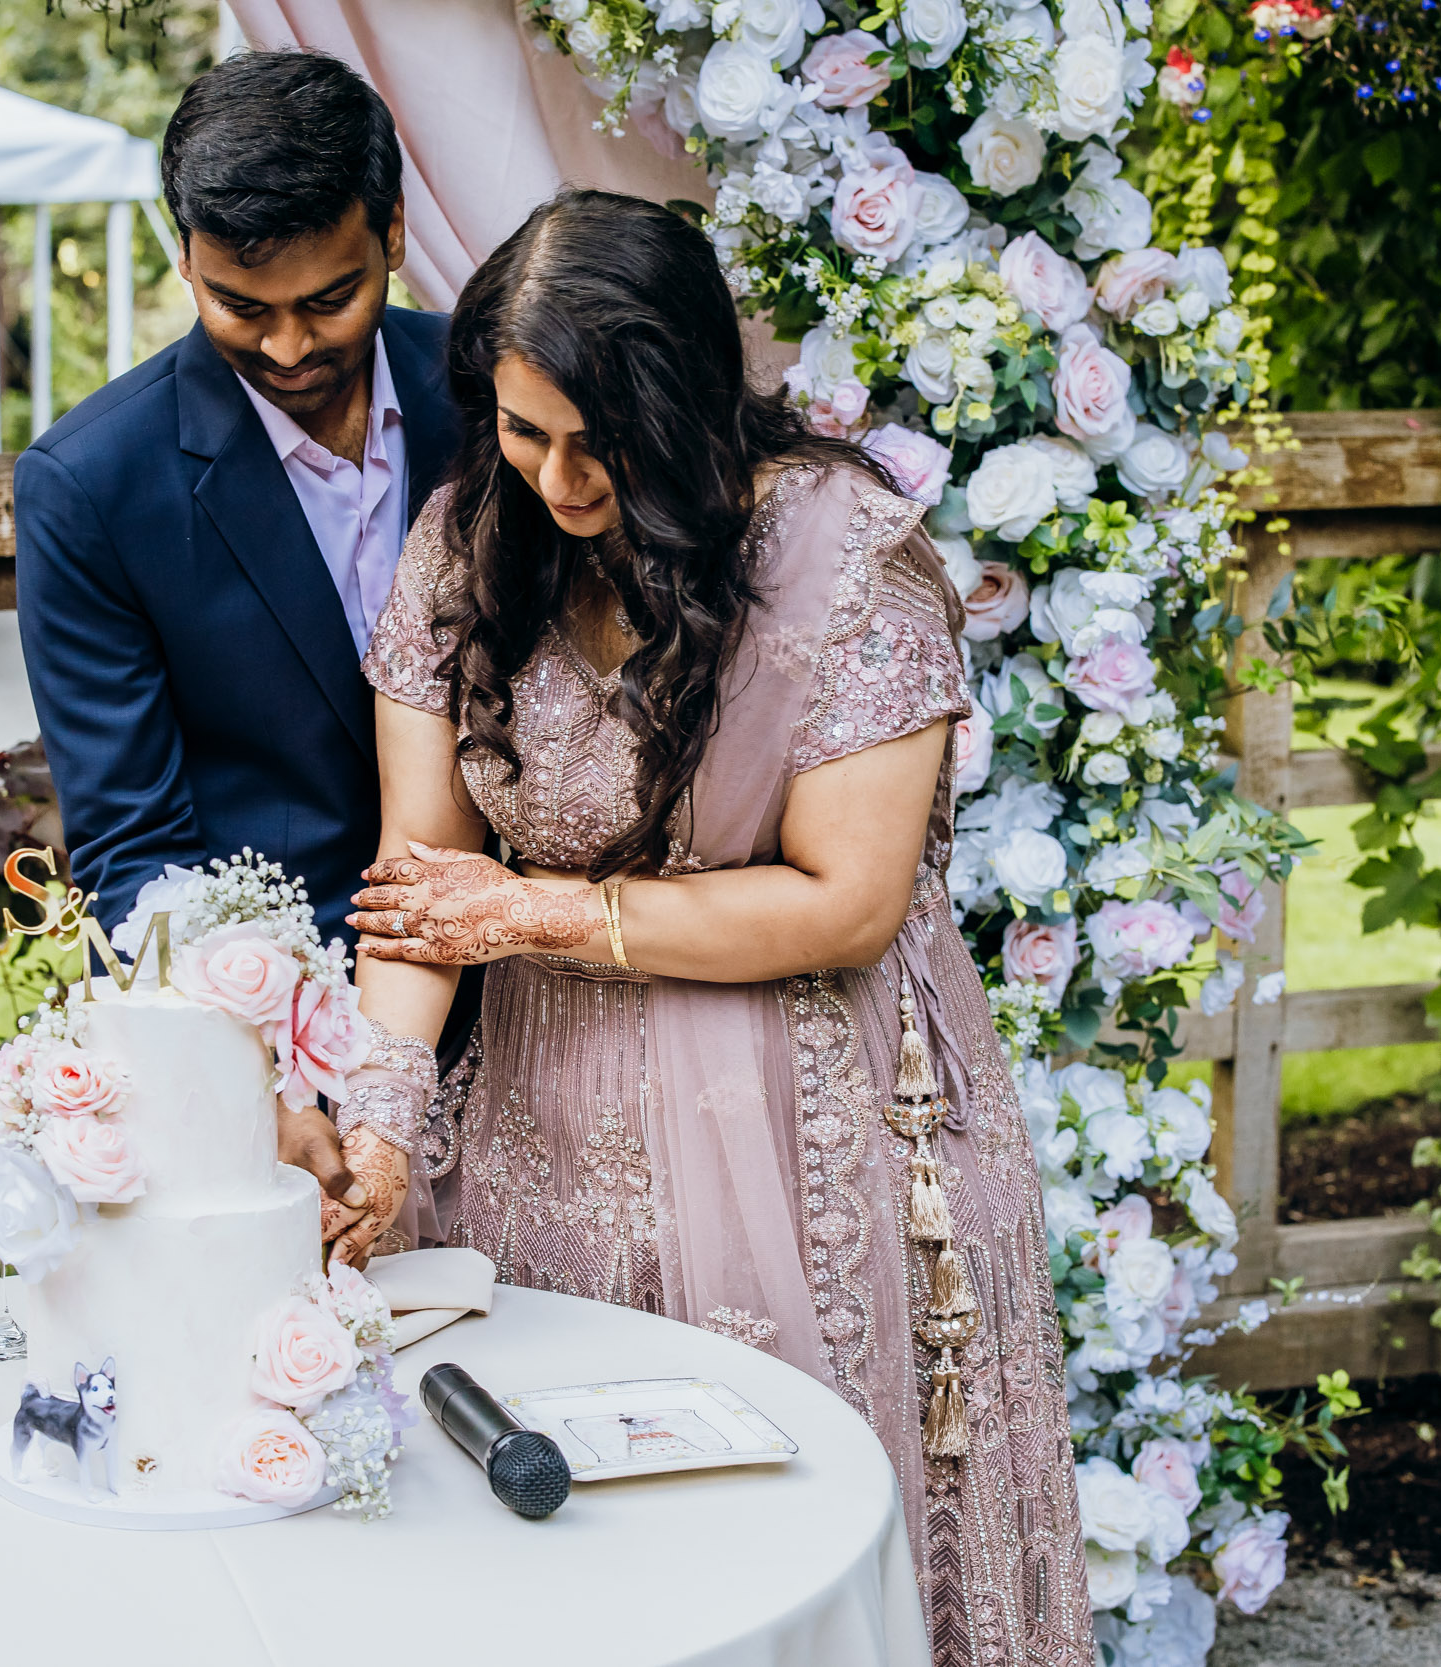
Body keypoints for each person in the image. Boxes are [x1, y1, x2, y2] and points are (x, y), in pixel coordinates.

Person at [331, 190, 1094, 1666]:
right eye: (522, 428)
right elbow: (422, 878)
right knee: (564, 1538)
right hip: (541, 1135)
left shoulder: (842, 556)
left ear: (681, 396)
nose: (556, 476)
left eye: (593, 438)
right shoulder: (463, 544)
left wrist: (536, 909)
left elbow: (849, 902)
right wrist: (377, 1119)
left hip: (813, 1115)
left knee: (778, 1525)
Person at [14, 50, 460, 1217]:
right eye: (237, 306)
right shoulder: (90, 483)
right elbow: (130, 838)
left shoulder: (491, 397)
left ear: (396, 233)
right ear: (185, 259)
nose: (287, 347)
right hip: (281, 1064)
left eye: (329, 299)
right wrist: (244, 1065)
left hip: (541, 1004)